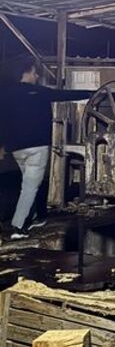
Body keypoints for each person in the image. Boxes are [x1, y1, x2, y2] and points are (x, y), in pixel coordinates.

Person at [0, 56, 91, 239]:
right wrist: (94, 93)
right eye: (35, 73)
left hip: (17, 149)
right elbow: (65, 95)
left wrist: (3, 145)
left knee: (30, 183)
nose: (36, 76)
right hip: (38, 147)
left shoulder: (6, 94)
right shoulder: (39, 92)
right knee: (30, 186)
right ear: (28, 72)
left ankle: (36, 217)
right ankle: (18, 226)